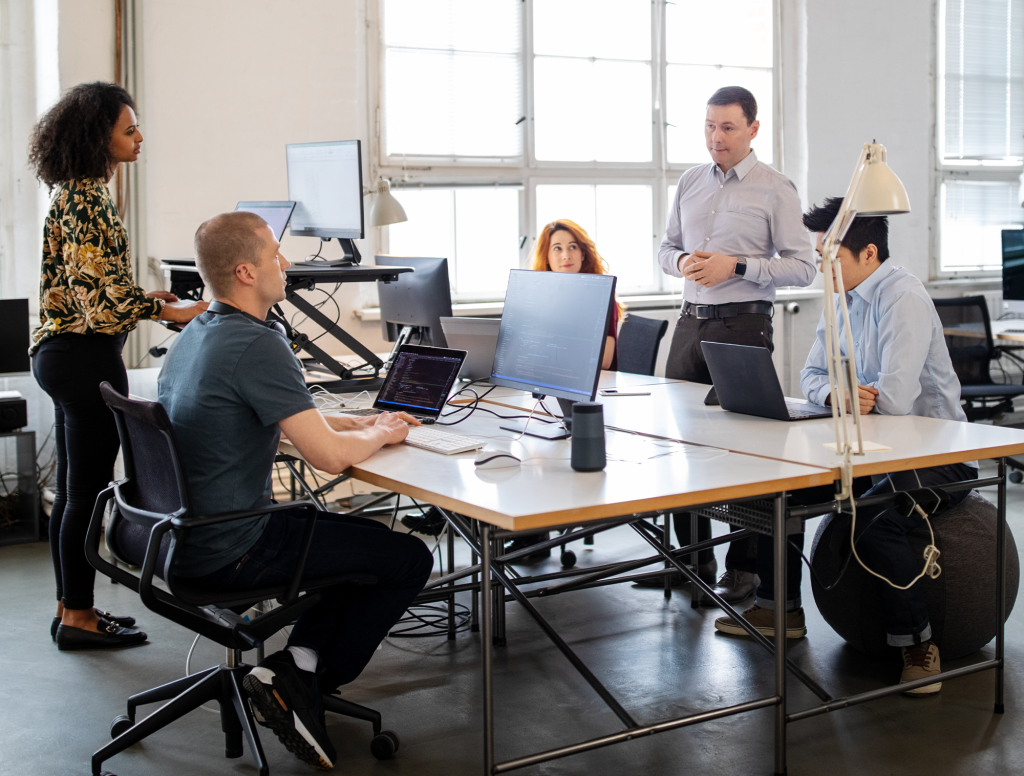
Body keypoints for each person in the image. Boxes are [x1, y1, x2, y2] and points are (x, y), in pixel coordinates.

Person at [158, 211, 433, 769]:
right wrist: (383, 429)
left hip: (175, 536)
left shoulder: (199, 333)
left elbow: (268, 417)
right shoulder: (258, 345)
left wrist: (351, 422)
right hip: (234, 549)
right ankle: (297, 682)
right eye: (274, 255)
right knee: (405, 556)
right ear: (245, 272)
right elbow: (327, 458)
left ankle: (294, 667)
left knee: (358, 547)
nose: (285, 264)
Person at [714, 197, 978, 696]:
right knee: (781, 494)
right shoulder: (841, 296)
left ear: (869, 254)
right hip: (869, 445)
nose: (819, 267)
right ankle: (779, 611)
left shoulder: (903, 298)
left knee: (876, 517)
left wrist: (850, 391)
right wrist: (838, 391)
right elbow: (810, 375)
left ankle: (918, 647)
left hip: (940, 455)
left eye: (827, 256)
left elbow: (896, 403)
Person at [27, 81, 207, 651]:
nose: (139, 138)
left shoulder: (73, 193)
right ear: (97, 136)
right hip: (82, 355)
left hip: (62, 353)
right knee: (85, 492)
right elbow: (100, 307)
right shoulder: (87, 200)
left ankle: (70, 608)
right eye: (129, 130)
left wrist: (149, 300)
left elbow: (93, 287)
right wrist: (175, 310)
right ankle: (78, 617)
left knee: (76, 490)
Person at [654, 86, 816, 603]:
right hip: (689, 322)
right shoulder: (689, 181)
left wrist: (738, 265)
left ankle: (743, 569)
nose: (715, 138)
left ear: (752, 129)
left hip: (743, 326)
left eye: (726, 127)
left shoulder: (775, 188)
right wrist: (681, 264)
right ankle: (691, 560)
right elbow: (665, 248)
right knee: (678, 445)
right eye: (708, 126)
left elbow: (803, 265)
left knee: (744, 453)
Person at [530, 219, 625, 370]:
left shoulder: (601, 297)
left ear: (583, 254)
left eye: (573, 247)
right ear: (546, 257)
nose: (566, 255)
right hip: (548, 377)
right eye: (557, 248)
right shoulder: (540, 299)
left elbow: (605, 361)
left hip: (595, 384)